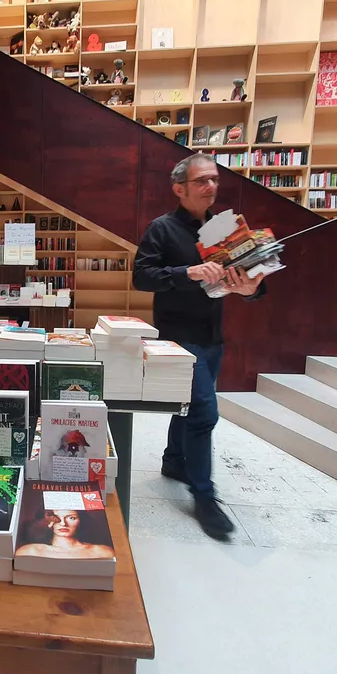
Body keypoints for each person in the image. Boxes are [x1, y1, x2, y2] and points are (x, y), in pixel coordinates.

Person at [133, 153, 265, 540]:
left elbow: (253, 279)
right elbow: (142, 276)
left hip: (212, 336)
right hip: (178, 337)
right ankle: (203, 496)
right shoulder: (162, 229)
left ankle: (175, 461)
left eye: (214, 180)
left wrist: (252, 289)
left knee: (188, 406)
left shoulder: (226, 231)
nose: (211, 187)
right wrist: (186, 272)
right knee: (205, 414)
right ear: (180, 188)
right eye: (202, 181)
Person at [14, 509, 115, 560]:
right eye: (56, 518)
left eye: (71, 518)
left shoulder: (102, 552)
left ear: (81, 520)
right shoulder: (29, 552)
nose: (63, 523)